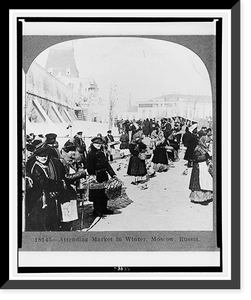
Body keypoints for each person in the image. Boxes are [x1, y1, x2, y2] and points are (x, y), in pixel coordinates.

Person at [25, 146, 86, 231]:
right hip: (41, 198)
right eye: (41, 157)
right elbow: (45, 183)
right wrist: (61, 184)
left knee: (52, 217)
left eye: (45, 156)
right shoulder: (37, 168)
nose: (44, 158)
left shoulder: (46, 164)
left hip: (49, 196)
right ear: (37, 157)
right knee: (44, 219)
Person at [86, 136, 117, 217]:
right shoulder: (90, 154)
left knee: (104, 193)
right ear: (93, 144)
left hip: (103, 175)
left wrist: (112, 174)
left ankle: (104, 208)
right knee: (97, 193)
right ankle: (96, 210)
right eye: (97, 143)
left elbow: (107, 164)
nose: (99, 145)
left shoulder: (101, 153)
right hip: (96, 176)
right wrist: (92, 175)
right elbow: (89, 166)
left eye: (100, 143)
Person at [189, 135, 213, 205]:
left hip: (204, 166)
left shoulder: (204, 148)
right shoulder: (198, 149)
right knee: (199, 182)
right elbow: (196, 158)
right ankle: (199, 198)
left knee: (206, 181)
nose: (207, 143)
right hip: (198, 167)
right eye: (206, 142)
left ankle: (206, 196)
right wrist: (206, 156)